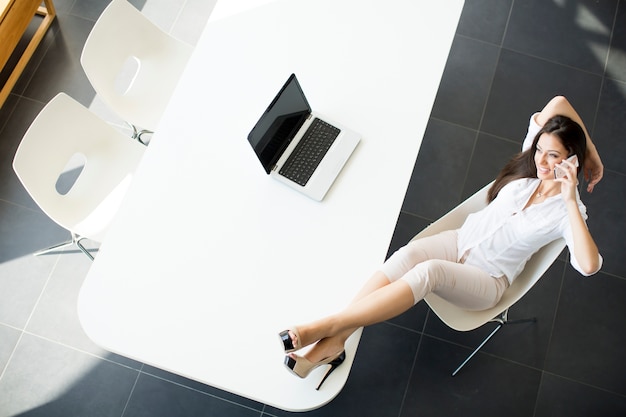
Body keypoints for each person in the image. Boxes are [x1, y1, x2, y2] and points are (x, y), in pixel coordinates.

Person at [278, 96, 604, 389]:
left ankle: (327, 325)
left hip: (487, 280)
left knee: (429, 271)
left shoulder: (565, 212)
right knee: (408, 255)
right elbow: (559, 102)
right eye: (539, 151)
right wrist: (592, 155)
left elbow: (589, 265)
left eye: (553, 156)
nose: (542, 162)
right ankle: (332, 345)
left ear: (568, 161)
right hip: (460, 240)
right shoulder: (530, 170)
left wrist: (571, 197)